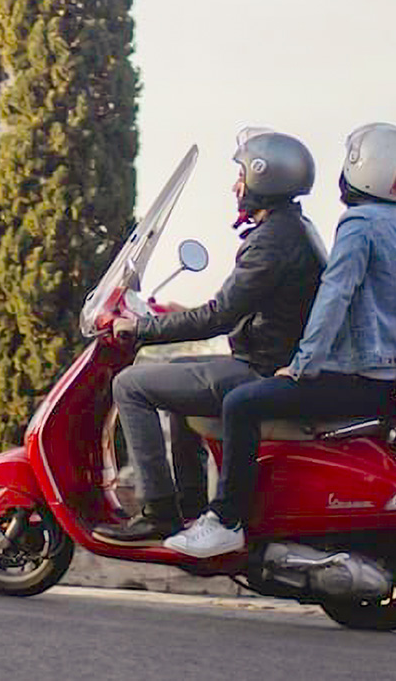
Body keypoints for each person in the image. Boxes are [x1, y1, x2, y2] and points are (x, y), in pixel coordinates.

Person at [165, 122, 396, 559]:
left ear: (362, 172)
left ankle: (226, 520)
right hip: (388, 377)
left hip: (361, 377)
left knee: (241, 403)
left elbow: (335, 297)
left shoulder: (358, 225)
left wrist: (303, 366)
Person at [93, 129, 326, 544]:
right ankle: (191, 506)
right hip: (270, 361)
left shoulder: (271, 241)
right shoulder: (293, 229)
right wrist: (171, 318)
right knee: (178, 376)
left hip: (260, 371)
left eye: (241, 174)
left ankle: (158, 510)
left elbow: (219, 316)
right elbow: (240, 308)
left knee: (130, 384)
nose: (235, 186)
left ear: (263, 178)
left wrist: (141, 329)